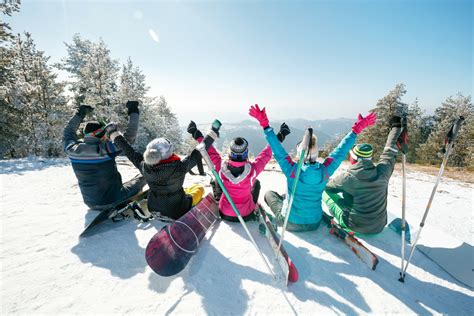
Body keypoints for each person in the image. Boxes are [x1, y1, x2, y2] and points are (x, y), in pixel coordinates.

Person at [249, 104, 377, 232]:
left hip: (290, 221)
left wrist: (265, 124)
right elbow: (341, 151)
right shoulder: (325, 171)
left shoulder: (292, 170)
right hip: (315, 222)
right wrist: (356, 130)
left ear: (300, 152)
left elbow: (276, 148)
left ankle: (277, 214)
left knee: (269, 194)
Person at [105, 121, 220, 220]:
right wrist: (213, 132)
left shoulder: (144, 166)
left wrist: (113, 133)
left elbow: (128, 150)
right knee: (198, 189)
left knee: (184, 190)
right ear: (169, 153)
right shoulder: (179, 167)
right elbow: (199, 151)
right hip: (178, 210)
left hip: (153, 207)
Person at [188, 119, 290, 222]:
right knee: (256, 183)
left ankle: (221, 200)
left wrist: (196, 134)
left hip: (224, 213)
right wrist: (281, 135)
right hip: (246, 214)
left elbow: (209, 150)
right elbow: (267, 152)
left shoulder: (221, 168)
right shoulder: (253, 170)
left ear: (230, 153)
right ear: (246, 153)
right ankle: (252, 206)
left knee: (218, 181)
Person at [323, 115, 406, 234]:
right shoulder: (383, 171)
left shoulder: (348, 177)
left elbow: (328, 188)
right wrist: (396, 128)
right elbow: (390, 151)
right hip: (379, 227)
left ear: (354, 158)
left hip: (354, 226)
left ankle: (336, 214)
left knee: (325, 192)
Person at [63, 102, 146, 210]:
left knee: (126, 183)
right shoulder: (106, 150)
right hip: (113, 201)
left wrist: (80, 113)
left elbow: (68, 132)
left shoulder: (72, 149)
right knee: (144, 177)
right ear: (101, 135)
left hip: (90, 202)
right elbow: (129, 138)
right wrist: (133, 109)